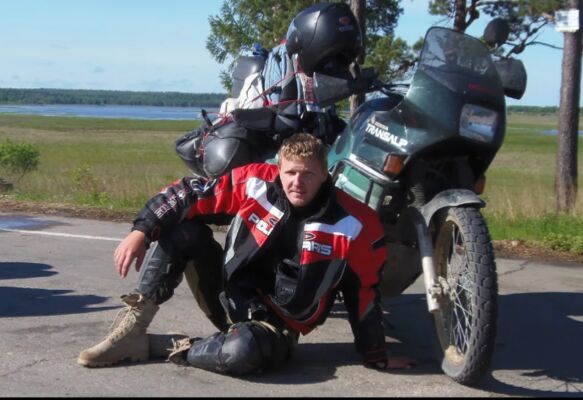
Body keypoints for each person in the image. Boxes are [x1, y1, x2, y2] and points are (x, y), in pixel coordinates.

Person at [78, 133, 416, 373]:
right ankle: (131, 331)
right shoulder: (255, 182)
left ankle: (175, 347)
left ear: (325, 174)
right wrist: (141, 230)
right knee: (182, 229)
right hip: (227, 297)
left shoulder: (357, 223)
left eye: (308, 174)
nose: (297, 183)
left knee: (243, 350)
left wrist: (376, 354)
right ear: (279, 169)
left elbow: (364, 294)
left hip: (275, 330)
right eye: (291, 173)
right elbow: (188, 193)